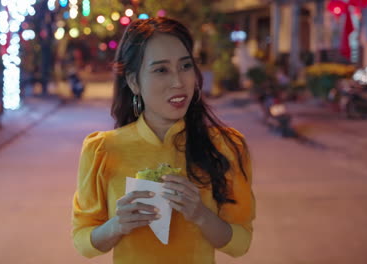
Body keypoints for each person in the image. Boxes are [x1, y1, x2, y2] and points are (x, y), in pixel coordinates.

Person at [71, 17, 255, 263]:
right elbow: (84, 241)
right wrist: (118, 224)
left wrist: (200, 214)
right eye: (161, 70)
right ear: (134, 82)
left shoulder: (225, 146)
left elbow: (241, 243)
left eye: (185, 66)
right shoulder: (103, 149)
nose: (178, 82)